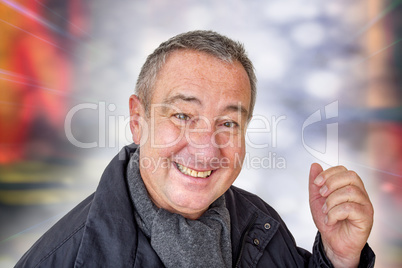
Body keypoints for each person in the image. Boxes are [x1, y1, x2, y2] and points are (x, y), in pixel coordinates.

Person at [16, 30, 375, 267]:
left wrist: (338, 258)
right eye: (183, 115)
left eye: (228, 123)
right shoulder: (63, 258)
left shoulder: (260, 226)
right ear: (138, 120)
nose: (206, 148)